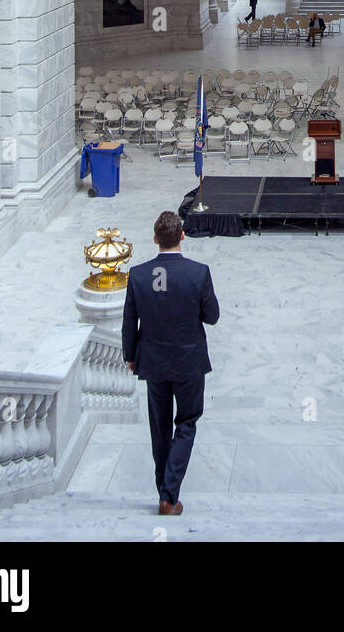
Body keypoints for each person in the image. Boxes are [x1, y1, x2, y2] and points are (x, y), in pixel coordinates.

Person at [122, 210, 220, 517]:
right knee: (187, 423)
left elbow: (128, 323)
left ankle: (164, 491)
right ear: (182, 236)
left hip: (152, 362)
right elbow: (212, 316)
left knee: (159, 428)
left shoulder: (137, 275)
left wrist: (129, 356)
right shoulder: (198, 272)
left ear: (154, 239)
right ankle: (169, 494)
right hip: (189, 361)